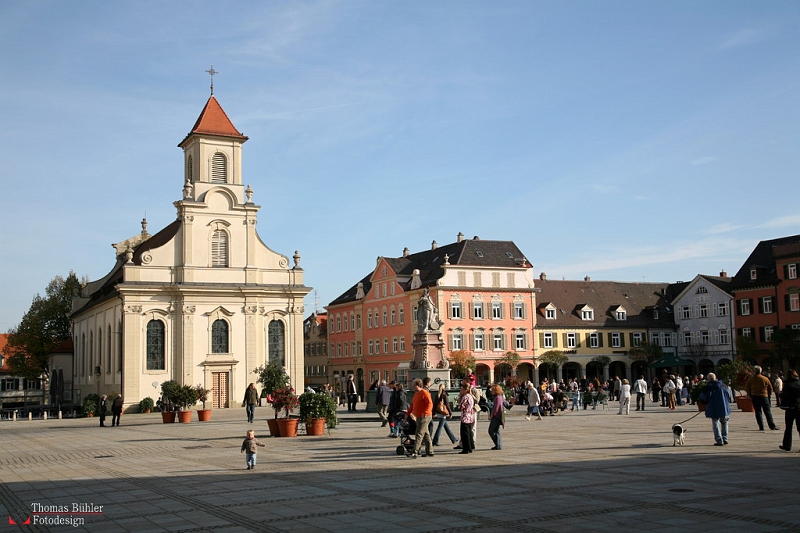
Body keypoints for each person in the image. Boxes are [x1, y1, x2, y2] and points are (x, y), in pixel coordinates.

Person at [700, 373, 732, 446]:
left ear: (708, 379)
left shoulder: (708, 387)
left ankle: (719, 440)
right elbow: (728, 395)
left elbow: (704, 398)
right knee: (724, 423)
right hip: (724, 407)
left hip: (713, 408)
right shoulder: (723, 385)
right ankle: (725, 438)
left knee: (716, 424)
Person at [746, 365, 779, 431]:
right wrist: (769, 394)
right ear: (760, 371)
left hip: (755, 396)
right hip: (764, 396)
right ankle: (772, 426)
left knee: (758, 412)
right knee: (767, 412)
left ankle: (761, 426)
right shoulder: (765, 378)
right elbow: (770, 387)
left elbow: (747, 388)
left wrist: (749, 394)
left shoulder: (751, 379)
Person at [407, 379, 433, 458]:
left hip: (425, 416)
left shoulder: (425, 393)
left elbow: (430, 403)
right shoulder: (416, 394)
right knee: (426, 434)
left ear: (418, 385)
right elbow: (412, 405)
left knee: (418, 433)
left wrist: (426, 412)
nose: (412, 387)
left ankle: (414, 452)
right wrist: (407, 413)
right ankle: (430, 451)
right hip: (418, 416)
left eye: (413, 385)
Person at [779, 370, 800, 451]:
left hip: (790, 407)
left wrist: (781, 395)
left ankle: (787, 445)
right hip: (799, 407)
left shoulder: (788, 384)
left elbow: (784, 395)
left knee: (788, 427)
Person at [458, 383, 475, 454]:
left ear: (465, 390)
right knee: (469, 433)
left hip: (465, 416)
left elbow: (461, 406)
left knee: (464, 434)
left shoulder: (465, 397)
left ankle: (466, 448)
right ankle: (471, 446)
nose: (461, 391)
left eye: (462, 389)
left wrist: (459, 405)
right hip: (470, 416)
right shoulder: (470, 396)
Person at [488, 384, 506, 450]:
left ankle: (498, 444)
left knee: (491, 430)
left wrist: (492, 415)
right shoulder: (499, 397)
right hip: (498, 416)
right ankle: (498, 445)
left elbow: (496, 408)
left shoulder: (498, 397)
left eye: (493, 389)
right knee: (496, 431)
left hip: (496, 416)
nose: (491, 390)